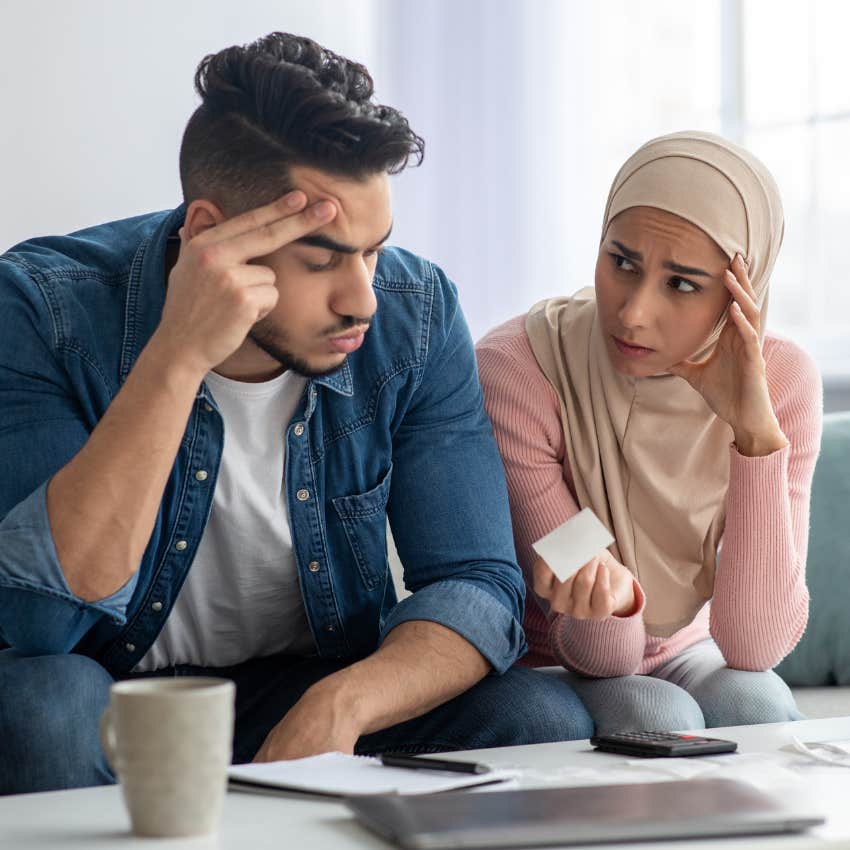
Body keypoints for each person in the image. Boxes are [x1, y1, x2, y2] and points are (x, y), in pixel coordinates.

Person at [0, 32, 592, 796]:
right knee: (39, 706)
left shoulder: (415, 313)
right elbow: (43, 621)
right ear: (211, 234)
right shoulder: (44, 307)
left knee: (541, 718)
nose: (362, 299)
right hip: (111, 692)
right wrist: (176, 357)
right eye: (321, 259)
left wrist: (341, 704)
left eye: (374, 251)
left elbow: (476, 583)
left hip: (314, 681)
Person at [476, 131, 822, 733]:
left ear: (742, 295)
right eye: (621, 262)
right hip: (548, 661)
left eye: (682, 284)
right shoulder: (519, 370)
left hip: (684, 650)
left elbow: (754, 647)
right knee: (656, 713)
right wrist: (610, 596)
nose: (633, 312)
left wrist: (754, 434)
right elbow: (601, 652)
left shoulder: (781, 380)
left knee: (756, 702)